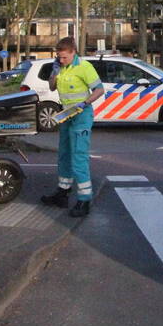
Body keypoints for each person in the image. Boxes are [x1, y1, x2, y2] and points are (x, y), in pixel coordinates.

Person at [40, 37, 104, 217]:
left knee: (79, 156)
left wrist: (85, 103)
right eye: (59, 57)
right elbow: (52, 88)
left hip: (81, 115)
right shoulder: (61, 67)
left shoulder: (84, 67)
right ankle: (63, 192)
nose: (61, 60)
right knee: (64, 154)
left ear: (73, 52)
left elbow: (99, 90)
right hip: (66, 115)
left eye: (64, 58)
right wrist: (54, 72)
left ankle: (84, 200)